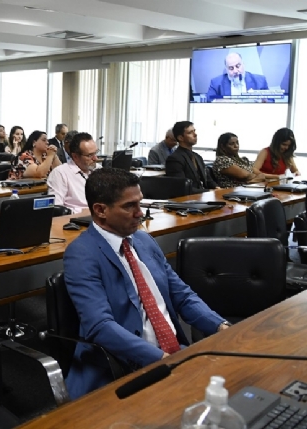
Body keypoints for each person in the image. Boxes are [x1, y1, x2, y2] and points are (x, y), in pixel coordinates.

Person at [64, 167, 228, 399]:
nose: (140, 213)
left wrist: (220, 326)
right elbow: (100, 326)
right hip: (126, 366)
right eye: (129, 206)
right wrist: (161, 359)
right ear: (100, 210)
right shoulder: (81, 254)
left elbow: (182, 296)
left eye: (140, 203)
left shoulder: (143, 240)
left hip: (174, 353)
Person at [47, 132, 98, 213]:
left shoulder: (98, 169)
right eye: (90, 155)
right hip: (76, 218)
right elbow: (56, 208)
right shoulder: (61, 173)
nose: (95, 158)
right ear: (75, 156)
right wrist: (85, 212)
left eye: (96, 153)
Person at [165, 121, 218, 193]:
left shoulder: (198, 157)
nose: (195, 134)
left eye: (194, 131)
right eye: (190, 132)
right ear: (180, 138)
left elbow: (208, 180)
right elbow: (181, 187)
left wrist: (217, 188)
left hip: (203, 195)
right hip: (189, 198)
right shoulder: (174, 159)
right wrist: (209, 191)